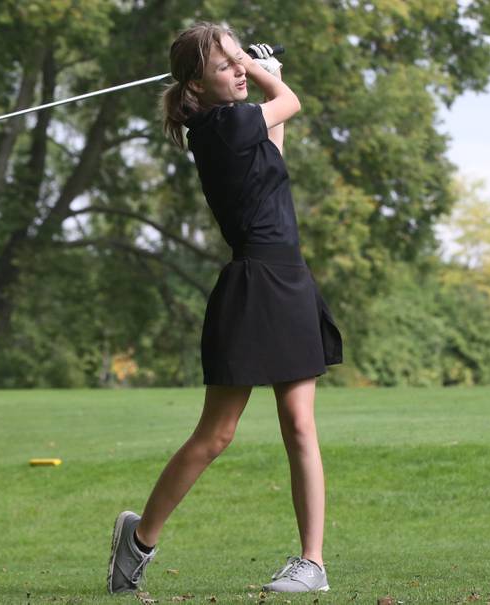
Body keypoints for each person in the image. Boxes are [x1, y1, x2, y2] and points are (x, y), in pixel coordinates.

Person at [106, 22, 343, 596]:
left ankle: (312, 563)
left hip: (289, 278)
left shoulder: (237, 123)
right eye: (226, 65)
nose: (238, 69)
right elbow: (291, 103)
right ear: (196, 85)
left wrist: (264, 77)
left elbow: (276, 141)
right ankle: (138, 542)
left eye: (239, 60)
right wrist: (268, 75)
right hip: (254, 283)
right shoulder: (218, 124)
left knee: (301, 425)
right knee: (216, 435)